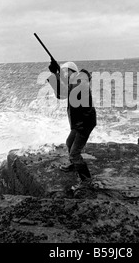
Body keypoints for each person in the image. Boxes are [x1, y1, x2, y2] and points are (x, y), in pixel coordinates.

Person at [46, 61, 97, 191]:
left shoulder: (80, 82)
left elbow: (64, 92)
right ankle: (74, 165)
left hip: (84, 124)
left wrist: (56, 75)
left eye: (65, 72)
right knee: (69, 142)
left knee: (74, 153)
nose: (64, 74)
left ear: (72, 72)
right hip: (79, 123)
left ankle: (86, 181)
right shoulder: (75, 82)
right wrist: (56, 74)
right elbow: (61, 94)